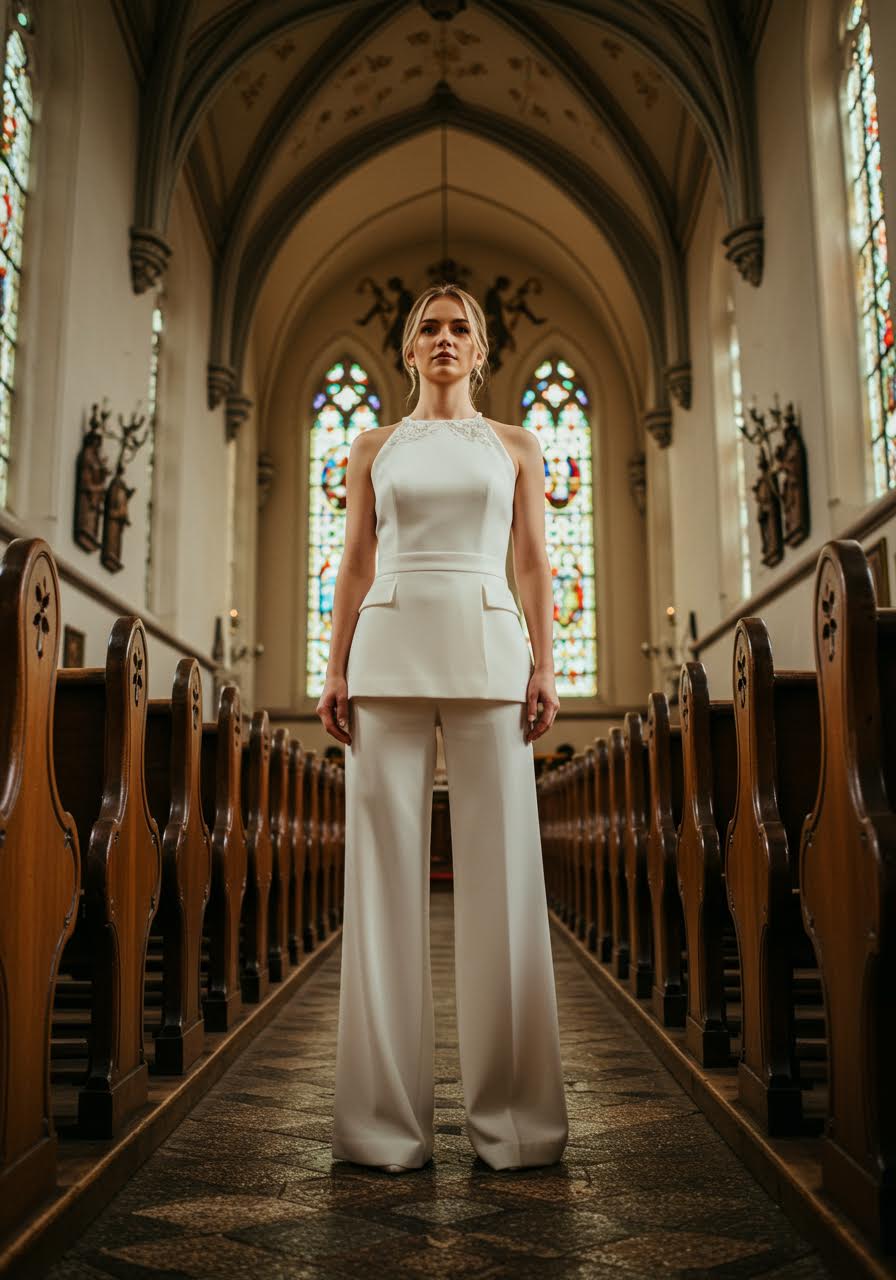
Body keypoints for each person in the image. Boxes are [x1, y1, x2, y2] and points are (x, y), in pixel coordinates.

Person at [317, 282, 569, 1174]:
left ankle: (513, 1122)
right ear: (407, 347)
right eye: (430, 325)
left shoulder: (517, 444)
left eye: (462, 326)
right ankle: (386, 1125)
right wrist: (335, 663)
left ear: (483, 348)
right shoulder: (371, 445)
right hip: (386, 648)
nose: (446, 337)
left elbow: (534, 562)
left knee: (504, 883)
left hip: (491, 646)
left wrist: (546, 662)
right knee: (382, 885)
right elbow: (353, 561)